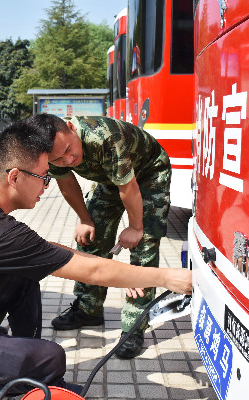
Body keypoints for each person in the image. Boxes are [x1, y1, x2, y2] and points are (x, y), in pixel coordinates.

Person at [0, 121, 190, 400]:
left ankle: (12, 360)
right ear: (15, 177)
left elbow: (46, 250)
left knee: (23, 276)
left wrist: (128, 273)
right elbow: (93, 270)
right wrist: (166, 278)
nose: (47, 186)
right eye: (44, 176)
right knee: (51, 358)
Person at [24, 114, 172, 359]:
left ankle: (134, 326)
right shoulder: (48, 150)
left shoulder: (105, 137)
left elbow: (129, 188)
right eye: (58, 159)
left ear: (71, 127)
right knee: (92, 238)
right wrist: (85, 219)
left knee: (144, 245)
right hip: (111, 178)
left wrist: (135, 227)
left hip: (148, 173)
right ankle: (88, 308)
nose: (68, 160)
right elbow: (67, 184)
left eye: (69, 150)